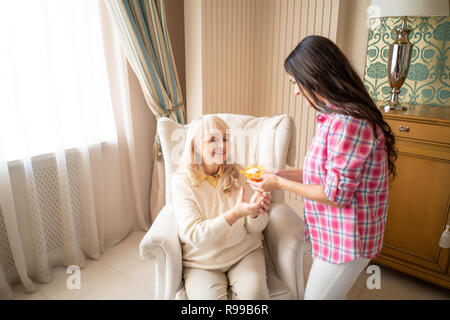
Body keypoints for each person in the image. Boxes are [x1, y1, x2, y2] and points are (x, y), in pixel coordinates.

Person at [247, 35, 397, 300]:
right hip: (333, 235)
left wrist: (279, 184)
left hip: (348, 240)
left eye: (295, 82)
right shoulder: (332, 117)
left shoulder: (349, 122)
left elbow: (335, 195)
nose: (295, 90)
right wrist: (278, 173)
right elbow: (323, 176)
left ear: (315, 76)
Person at [172, 115, 272, 300]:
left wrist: (257, 213)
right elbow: (195, 235)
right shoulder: (181, 182)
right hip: (202, 261)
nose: (223, 145)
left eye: (225, 138)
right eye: (213, 139)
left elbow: (254, 228)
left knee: (255, 297)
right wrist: (235, 214)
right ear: (195, 146)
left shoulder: (239, 173)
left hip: (244, 252)